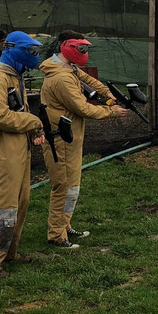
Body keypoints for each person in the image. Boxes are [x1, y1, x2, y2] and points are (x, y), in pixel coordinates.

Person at [38, 30, 127, 248]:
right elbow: (82, 108)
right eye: (81, 48)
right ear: (67, 47)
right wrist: (112, 112)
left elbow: (87, 79)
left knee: (73, 187)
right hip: (61, 140)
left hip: (71, 138)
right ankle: (56, 236)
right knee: (63, 187)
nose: (84, 53)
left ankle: (64, 226)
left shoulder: (69, 68)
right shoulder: (61, 78)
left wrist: (107, 93)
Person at [0, 30, 45, 278]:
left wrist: (32, 130)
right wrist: (31, 120)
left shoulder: (15, 76)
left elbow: (14, 110)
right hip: (0, 155)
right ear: (14, 49)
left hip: (17, 151)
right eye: (31, 51)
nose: (34, 57)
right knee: (2, 208)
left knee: (20, 204)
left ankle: (9, 253)